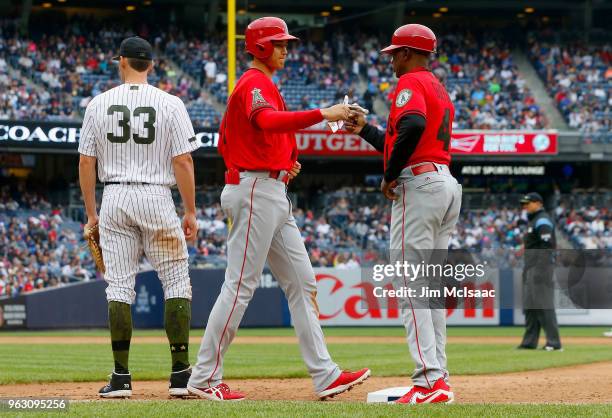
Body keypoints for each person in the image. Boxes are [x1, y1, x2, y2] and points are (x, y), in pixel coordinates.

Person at [187, 17, 370, 401]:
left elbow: (245, 136)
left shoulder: (265, 84)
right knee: (240, 286)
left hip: (270, 188)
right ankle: (204, 379)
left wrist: (284, 160)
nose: (286, 49)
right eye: (280, 43)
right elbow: (266, 121)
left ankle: (325, 375)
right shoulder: (254, 82)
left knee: (303, 283)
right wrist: (325, 113)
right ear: (261, 47)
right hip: (254, 190)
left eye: (286, 43)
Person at [345, 23, 460, 405]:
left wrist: (389, 175)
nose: (392, 58)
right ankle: (438, 377)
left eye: (396, 52)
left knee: (410, 285)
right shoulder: (438, 87)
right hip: (443, 185)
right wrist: (366, 130)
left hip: (420, 186)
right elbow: (405, 135)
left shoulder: (410, 83)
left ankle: (428, 382)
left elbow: (412, 125)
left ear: (409, 53)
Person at [78, 36, 199, 398]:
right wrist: (190, 210)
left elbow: (86, 162)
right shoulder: (171, 103)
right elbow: (183, 160)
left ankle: (121, 378)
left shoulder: (98, 104)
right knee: (177, 283)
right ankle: (180, 375)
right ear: (151, 64)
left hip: (114, 195)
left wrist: (91, 214)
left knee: (118, 287)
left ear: (121, 62)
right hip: (157, 195)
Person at [517, 192, 562, 351]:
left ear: (538, 203)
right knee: (530, 306)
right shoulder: (534, 220)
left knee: (543, 305)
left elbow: (547, 246)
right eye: (523, 204)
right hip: (530, 267)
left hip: (540, 268)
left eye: (527, 203)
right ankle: (529, 342)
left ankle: (554, 343)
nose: (525, 206)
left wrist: (539, 270)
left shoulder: (542, 219)